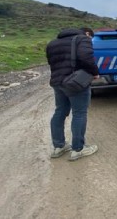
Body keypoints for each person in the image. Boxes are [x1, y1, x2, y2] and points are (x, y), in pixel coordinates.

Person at [46, 27, 100, 161]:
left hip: (57, 82)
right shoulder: (83, 39)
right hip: (75, 82)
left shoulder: (52, 43)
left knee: (60, 111)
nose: (90, 40)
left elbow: (51, 62)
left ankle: (58, 146)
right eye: (91, 38)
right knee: (79, 113)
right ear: (88, 34)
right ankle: (78, 149)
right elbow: (86, 57)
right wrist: (95, 72)